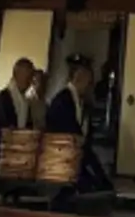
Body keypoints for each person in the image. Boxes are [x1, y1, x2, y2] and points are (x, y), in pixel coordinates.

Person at [46, 54, 112, 194]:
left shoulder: (79, 101)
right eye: (89, 84)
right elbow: (72, 135)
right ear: (80, 80)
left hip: (74, 152)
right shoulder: (63, 100)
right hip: (61, 155)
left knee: (96, 183)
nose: (90, 88)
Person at [0, 57, 40, 193]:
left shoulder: (25, 101)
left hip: (19, 157)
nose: (29, 81)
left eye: (31, 77)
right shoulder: (3, 98)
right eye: (27, 76)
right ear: (16, 74)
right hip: (3, 156)